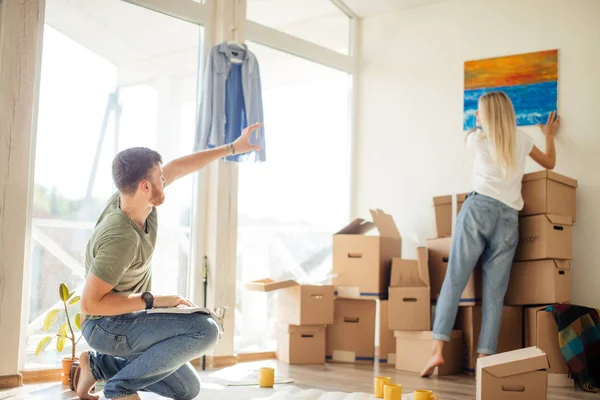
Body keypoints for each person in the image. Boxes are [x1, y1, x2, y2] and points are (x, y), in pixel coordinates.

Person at [76, 123, 263, 400]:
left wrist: (232, 148)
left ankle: (97, 365)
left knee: (186, 388)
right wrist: (154, 300)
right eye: (160, 178)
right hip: (105, 326)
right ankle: (119, 388)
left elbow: (180, 167)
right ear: (145, 186)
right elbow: (90, 304)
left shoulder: (136, 198)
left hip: (128, 318)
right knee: (205, 330)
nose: (166, 180)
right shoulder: (121, 237)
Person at [420, 92, 559, 377]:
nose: (476, 116)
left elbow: (473, 129)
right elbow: (549, 163)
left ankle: (437, 351)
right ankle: (484, 358)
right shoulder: (522, 140)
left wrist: (478, 122)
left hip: (477, 210)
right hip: (508, 219)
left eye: (479, 112)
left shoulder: (478, 139)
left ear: (486, 116)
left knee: (454, 280)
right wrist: (548, 135)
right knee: (495, 295)